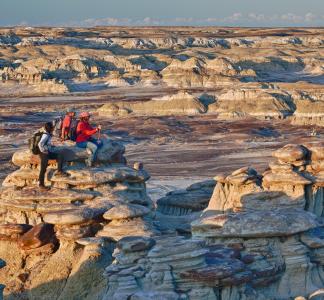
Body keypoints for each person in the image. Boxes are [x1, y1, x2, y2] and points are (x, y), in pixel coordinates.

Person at [38, 122, 68, 190]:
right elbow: (40, 144)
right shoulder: (45, 135)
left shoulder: (48, 134)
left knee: (59, 156)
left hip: (47, 152)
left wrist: (50, 146)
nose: (53, 128)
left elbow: (46, 143)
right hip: (44, 154)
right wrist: (44, 151)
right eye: (52, 127)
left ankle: (59, 171)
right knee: (43, 169)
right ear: (50, 128)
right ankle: (41, 185)